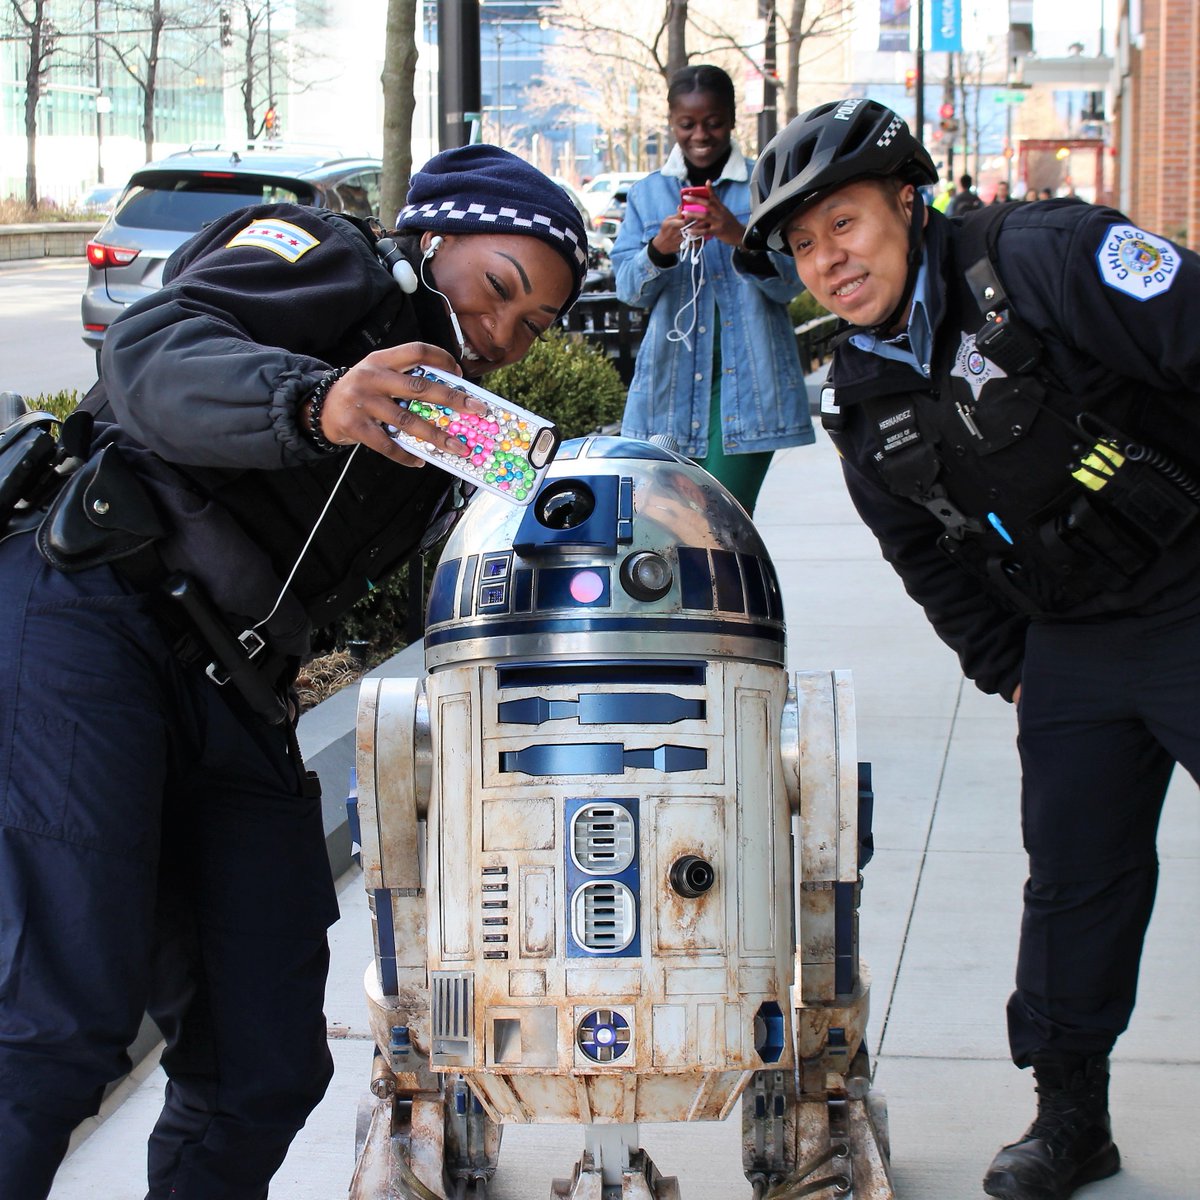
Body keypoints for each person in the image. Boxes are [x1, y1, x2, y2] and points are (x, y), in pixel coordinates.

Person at [0, 143, 586, 1200]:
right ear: (440, 237)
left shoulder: (445, 414)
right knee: (57, 1024)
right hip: (99, 615)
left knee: (265, 1061)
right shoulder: (330, 256)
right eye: (499, 287)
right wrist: (316, 400)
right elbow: (147, 354)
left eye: (531, 325)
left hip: (239, 688)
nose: (502, 332)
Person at [744, 97, 1200, 1200]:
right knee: (1076, 884)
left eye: (842, 224)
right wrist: (1014, 666)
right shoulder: (858, 393)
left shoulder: (1049, 257)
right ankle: (1070, 1120)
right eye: (804, 246)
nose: (828, 261)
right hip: (1073, 643)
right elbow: (925, 558)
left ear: (909, 198)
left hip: (1195, 592)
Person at [612, 63, 813, 516]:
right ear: (672, 123)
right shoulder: (648, 194)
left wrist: (737, 234)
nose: (700, 134)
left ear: (732, 119)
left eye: (713, 122)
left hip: (752, 391)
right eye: (688, 124)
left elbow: (793, 284)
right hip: (669, 392)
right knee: (672, 527)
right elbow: (628, 289)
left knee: (721, 522)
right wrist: (660, 248)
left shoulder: (767, 187)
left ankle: (732, 591)